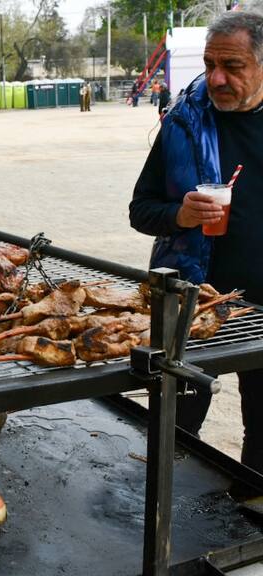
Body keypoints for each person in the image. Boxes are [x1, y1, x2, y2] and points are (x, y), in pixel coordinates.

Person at [129, 11, 263, 474]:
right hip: (193, 305)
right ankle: (165, 518)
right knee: (173, 425)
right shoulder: (183, 122)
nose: (216, 78)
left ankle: (250, 517)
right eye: (209, 64)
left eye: (233, 66)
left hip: (262, 308)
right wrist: (178, 215)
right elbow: (140, 209)